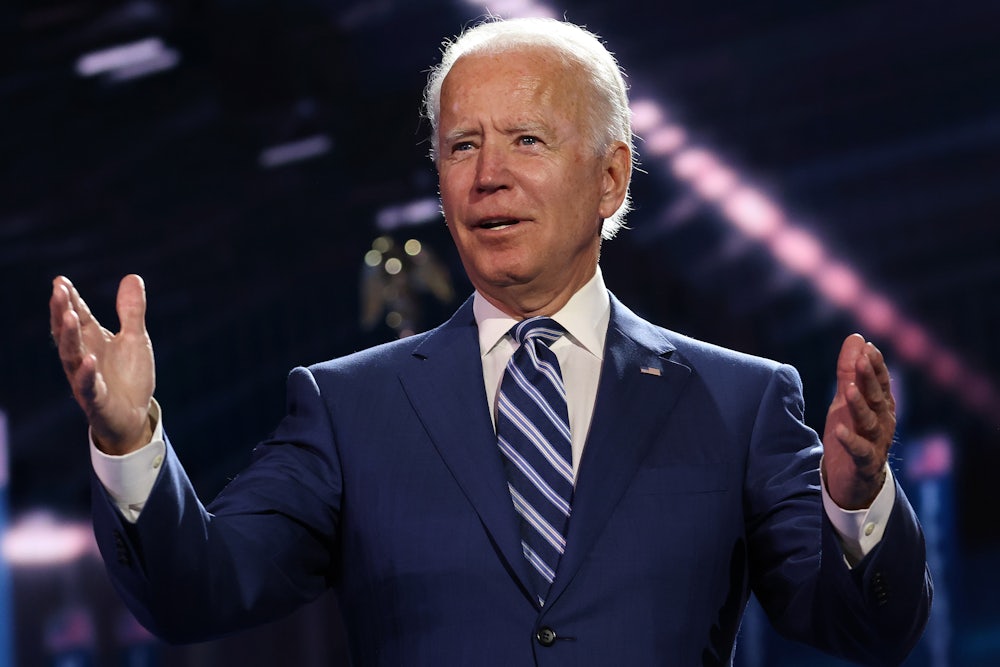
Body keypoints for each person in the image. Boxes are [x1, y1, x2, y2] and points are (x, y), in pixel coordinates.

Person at [49, 17, 931, 667]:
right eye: (461, 145)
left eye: (527, 140)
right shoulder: (346, 407)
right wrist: (130, 443)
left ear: (610, 176)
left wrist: (857, 505)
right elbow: (196, 588)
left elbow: (868, 628)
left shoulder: (740, 401)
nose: (488, 175)